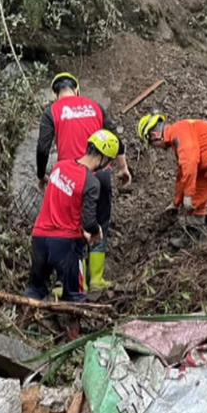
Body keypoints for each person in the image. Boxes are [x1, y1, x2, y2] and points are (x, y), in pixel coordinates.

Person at [36, 72, 130, 291]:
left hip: (70, 178)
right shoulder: (94, 106)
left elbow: (42, 147)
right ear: (77, 89)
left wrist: (42, 175)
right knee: (100, 223)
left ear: (55, 93)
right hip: (101, 174)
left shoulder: (52, 111)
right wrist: (123, 167)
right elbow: (115, 138)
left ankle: (69, 283)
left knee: (68, 226)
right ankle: (96, 279)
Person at [26, 130, 120, 302]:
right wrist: (96, 231)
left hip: (39, 238)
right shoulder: (91, 182)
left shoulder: (60, 166)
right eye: (110, 161)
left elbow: (62, 204)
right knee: (75, 297)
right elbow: (89, 221)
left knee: (35, 290)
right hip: (66, 245)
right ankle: (73, 329)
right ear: (104, 157)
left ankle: (21, 325)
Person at [137, 113, 207, 239]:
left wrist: (187, 195)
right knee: (196, 199)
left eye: (153, 145)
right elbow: (183, 175)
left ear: (154, 136)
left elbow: (190, 163)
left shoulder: (179, 132)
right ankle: (192, 236)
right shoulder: (178, 134)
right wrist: (176, 203)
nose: (157, 148)